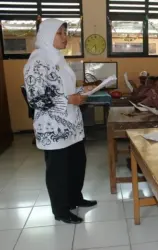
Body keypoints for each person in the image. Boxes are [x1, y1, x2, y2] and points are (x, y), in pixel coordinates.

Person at [23, 19, 97, 224]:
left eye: (66, 33)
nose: (66, 37)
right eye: (60, 34)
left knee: (76, 164)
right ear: (47, 36)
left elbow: (66, 91)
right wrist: (68, 100)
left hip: (71, 124)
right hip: (53, 127)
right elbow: (35, 98)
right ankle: (61, 210)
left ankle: (75, 198)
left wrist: (82, 92)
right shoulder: (37, 62)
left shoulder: (58, 59)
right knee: (58, 171)